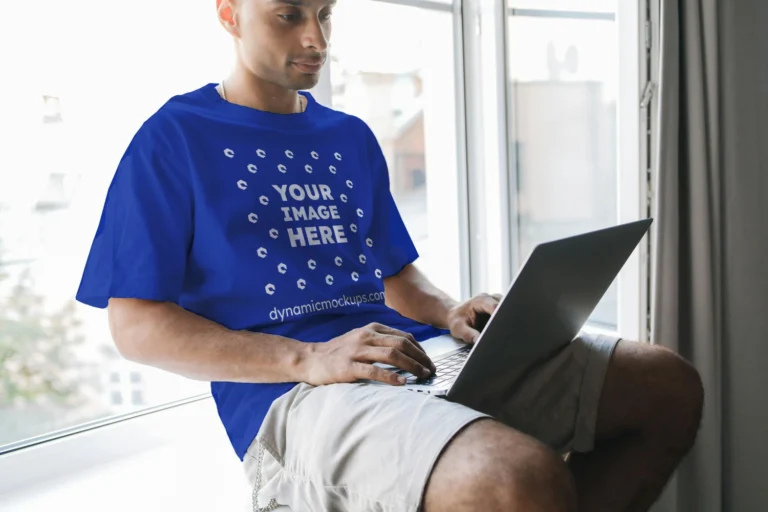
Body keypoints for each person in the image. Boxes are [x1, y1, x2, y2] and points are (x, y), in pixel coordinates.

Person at [75, 0, 704, 510]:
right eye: (289, 15)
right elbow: (137, 326)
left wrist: (449, 311)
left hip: (409, 355)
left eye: (326, 13)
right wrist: (311, 357)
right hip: (293, 393)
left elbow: (395, 274)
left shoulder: (347, 135)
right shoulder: (173, 138)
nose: (315, 37)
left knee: (665, 386)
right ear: (229, 13)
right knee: (518, 478)